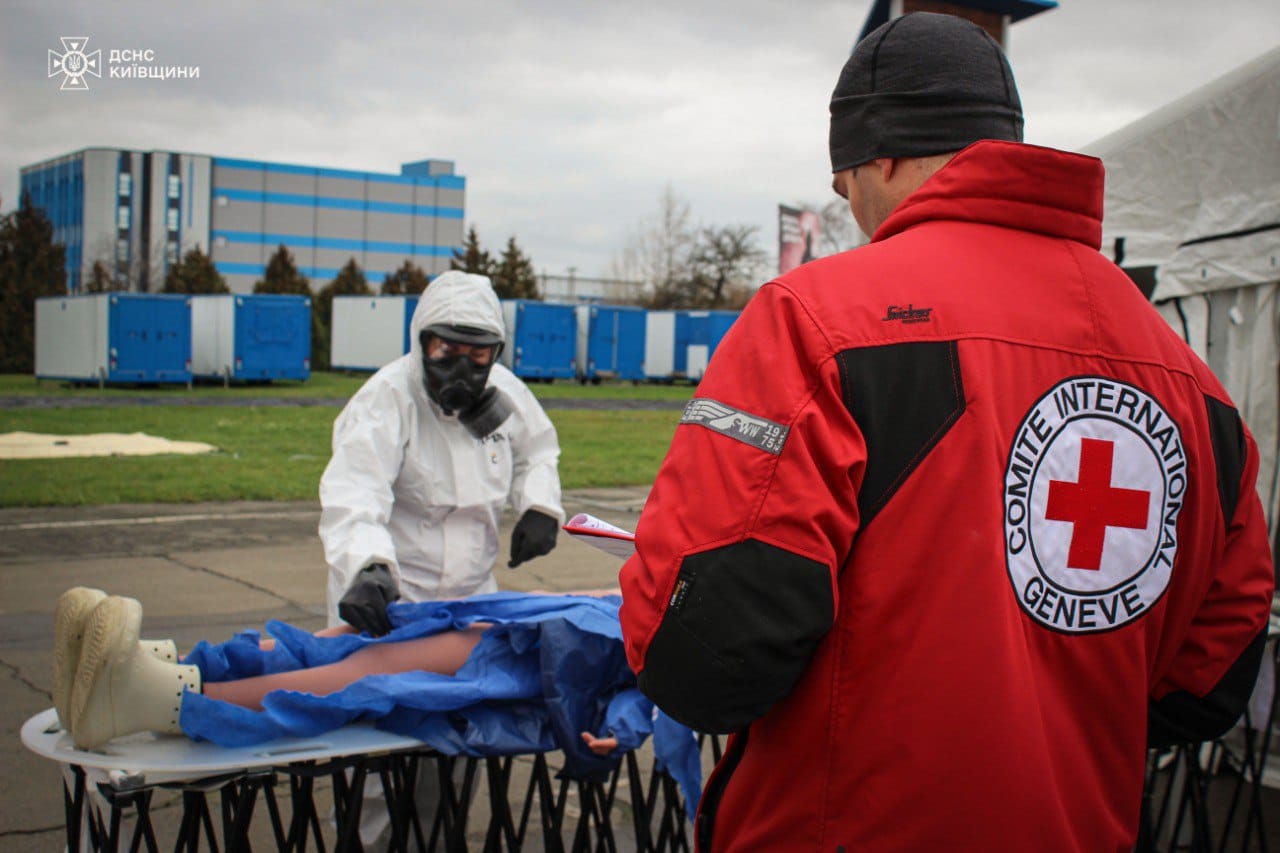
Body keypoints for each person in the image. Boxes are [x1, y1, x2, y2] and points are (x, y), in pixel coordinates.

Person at [618, 12, 1275, 852]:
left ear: (880, 154)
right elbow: (1212, 676)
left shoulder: (814, 321)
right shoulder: (1190, 378)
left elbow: (704, 658)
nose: (848, 202)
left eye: (843, 177)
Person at [54, 586, 629, 758]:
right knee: (340, 646)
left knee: (365, 672)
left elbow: (674, 696)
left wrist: (625, 729)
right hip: (522, 633)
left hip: (537, 663)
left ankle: (159, 699)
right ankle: (177, 672)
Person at [320, 269, 564, 638]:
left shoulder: (507, 393)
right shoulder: (386, 400)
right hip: (391, 601)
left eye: (478, 355)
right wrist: (366, 565)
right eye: (446, 352)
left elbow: (538, 450)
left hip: (473, 600)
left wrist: (540, 505)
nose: (463, 370)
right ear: (423, 344)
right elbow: (355, 491)